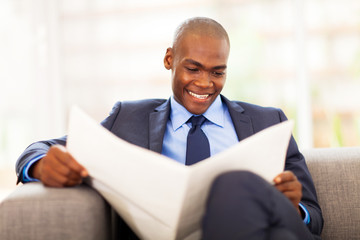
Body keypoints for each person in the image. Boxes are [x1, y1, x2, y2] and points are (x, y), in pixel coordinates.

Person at [16, 17, 323, 239]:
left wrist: (296, 208)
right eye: (193, 68)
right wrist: (41, 164)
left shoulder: (269, 122)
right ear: (169, 59)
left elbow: (314, 217)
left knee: (233, 185)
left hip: (268, 223)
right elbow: (43, 147)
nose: (205, 83)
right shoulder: (129, 119)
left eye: (217, 72)